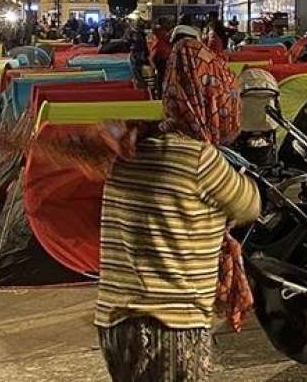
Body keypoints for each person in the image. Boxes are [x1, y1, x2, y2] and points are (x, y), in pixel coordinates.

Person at [94, 38, 261, 381]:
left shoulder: (131, 147)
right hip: (171, 322)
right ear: (211, 99)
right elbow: (250, 204)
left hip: (114, 317)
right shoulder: (200, 158)